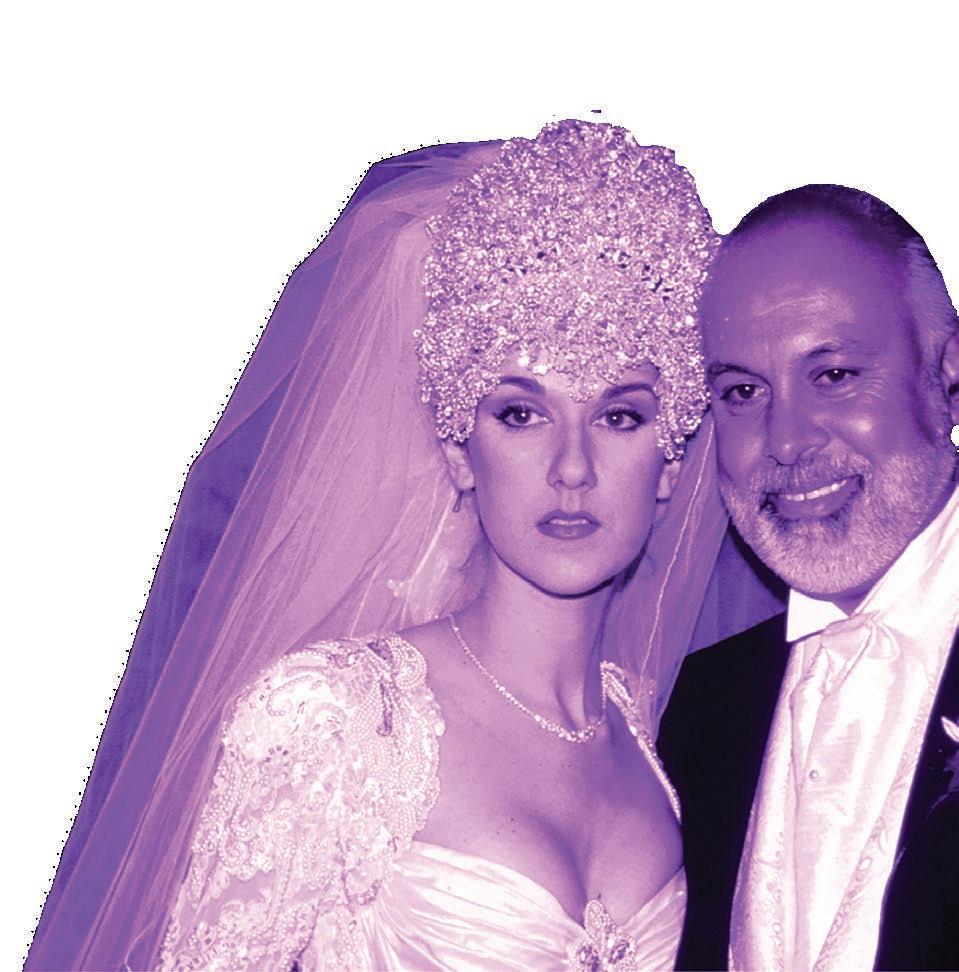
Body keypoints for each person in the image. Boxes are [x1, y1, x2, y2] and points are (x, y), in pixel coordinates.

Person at [28, 120, 769, 970]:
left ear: (669, 460)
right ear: (458, 449)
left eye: (619, 416)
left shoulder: (641, 728)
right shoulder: (335, 717)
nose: (572, 467)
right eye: (520, 413)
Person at [658, 185, 959, 971]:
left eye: (833, 375)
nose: (784, 441)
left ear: (946, 373)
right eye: (741, 392)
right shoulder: (697, 709)